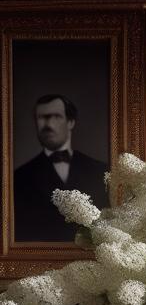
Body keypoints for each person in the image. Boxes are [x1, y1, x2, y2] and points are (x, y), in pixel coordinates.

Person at [13, 93, 108, 243]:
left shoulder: (101, 171)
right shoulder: (18, 179)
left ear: (71, 122)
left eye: (56, 116)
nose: (48, 124)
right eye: (42, 117)